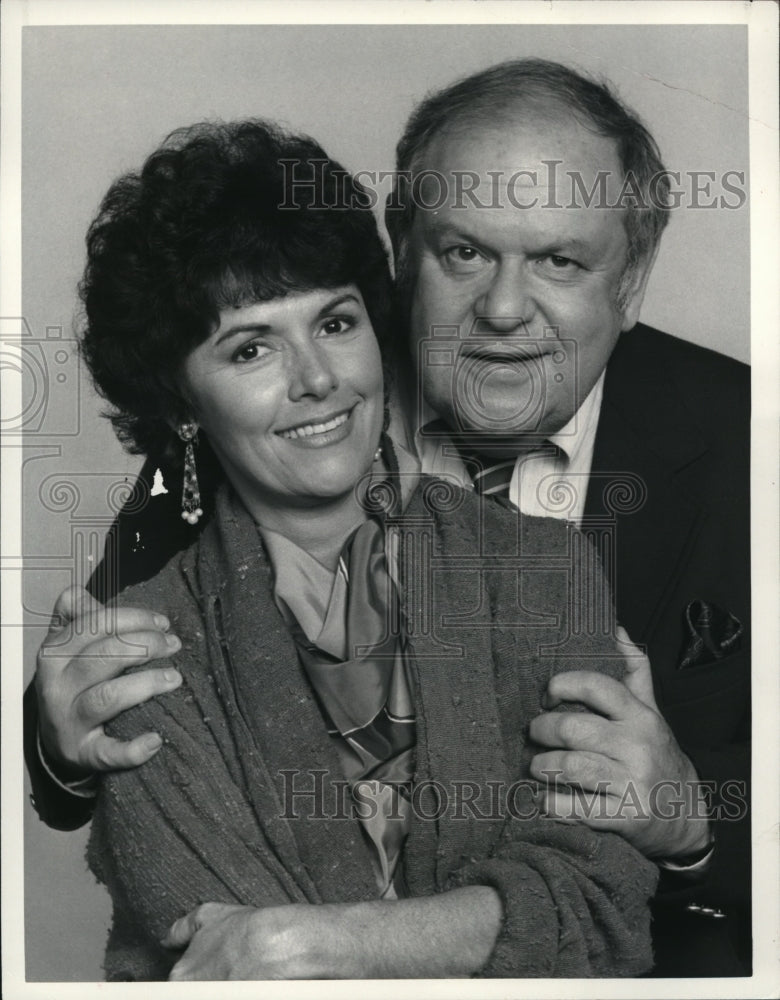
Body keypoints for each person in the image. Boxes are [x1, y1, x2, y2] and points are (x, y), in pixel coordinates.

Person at [25, 60, 750, 976]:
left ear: (633, 277)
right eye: (465, 251)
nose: (502, 308)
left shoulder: (743, 442)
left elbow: (597, 885)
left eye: (560, 260)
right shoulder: (247, 436)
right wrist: (58, 744)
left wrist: (692, 814)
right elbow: (104, 687)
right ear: (403, 248)